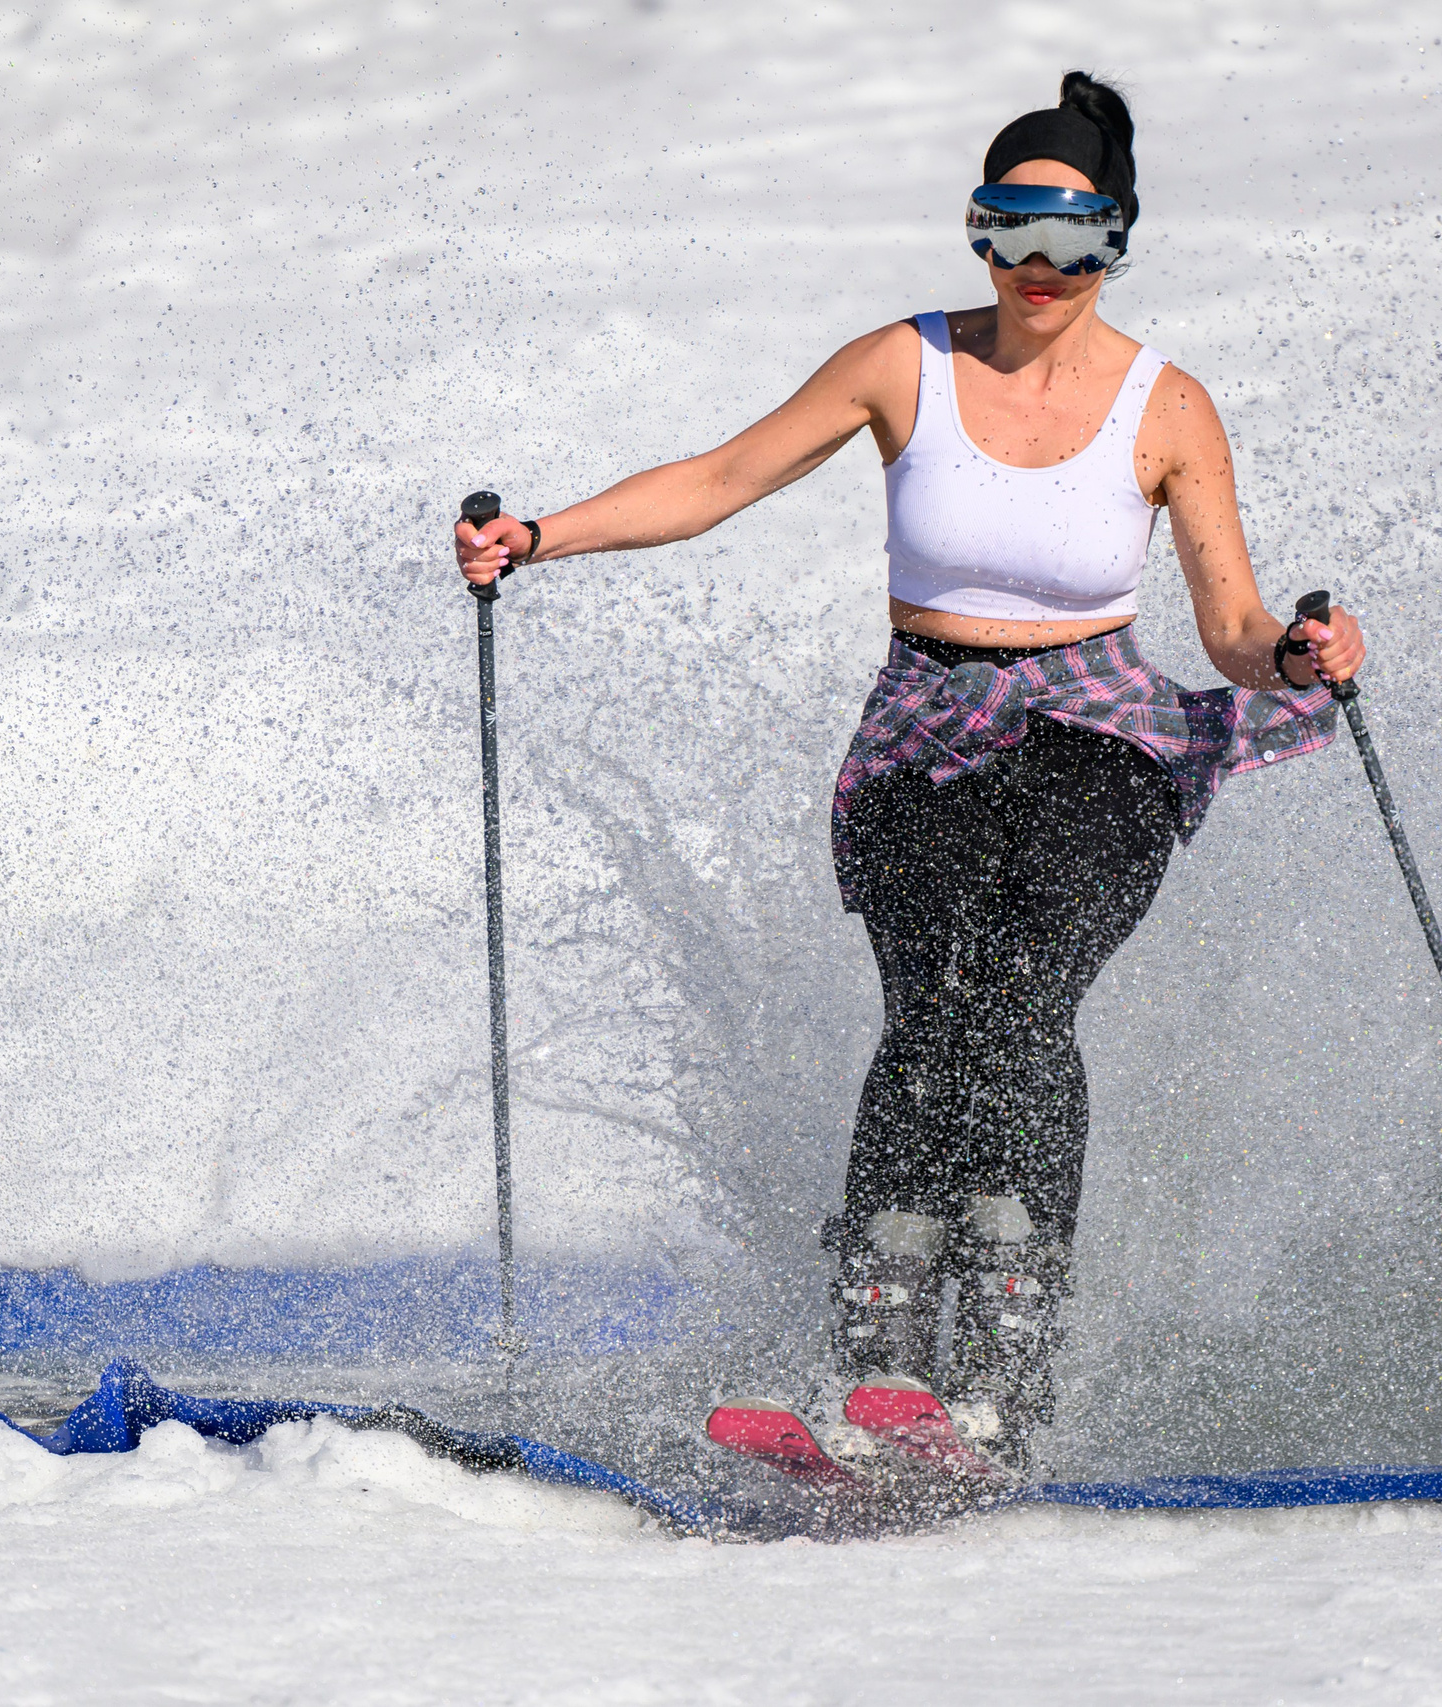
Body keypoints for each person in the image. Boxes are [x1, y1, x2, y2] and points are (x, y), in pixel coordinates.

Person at [456, 72, 1365, 1470]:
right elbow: (717, 480)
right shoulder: (904, 363)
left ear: (1118, 242)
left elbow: (1235, 628)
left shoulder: (1168, 407)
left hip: (1100, 738)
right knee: (926, 1013)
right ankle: (878, 1376)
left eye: (1077, 240)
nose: (1043, 270)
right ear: (975, 232)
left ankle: (1005, 1382)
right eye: (1015, 233)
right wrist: (538, 536)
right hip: (921, 736)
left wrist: (1298, 656)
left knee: (1019, 1000)